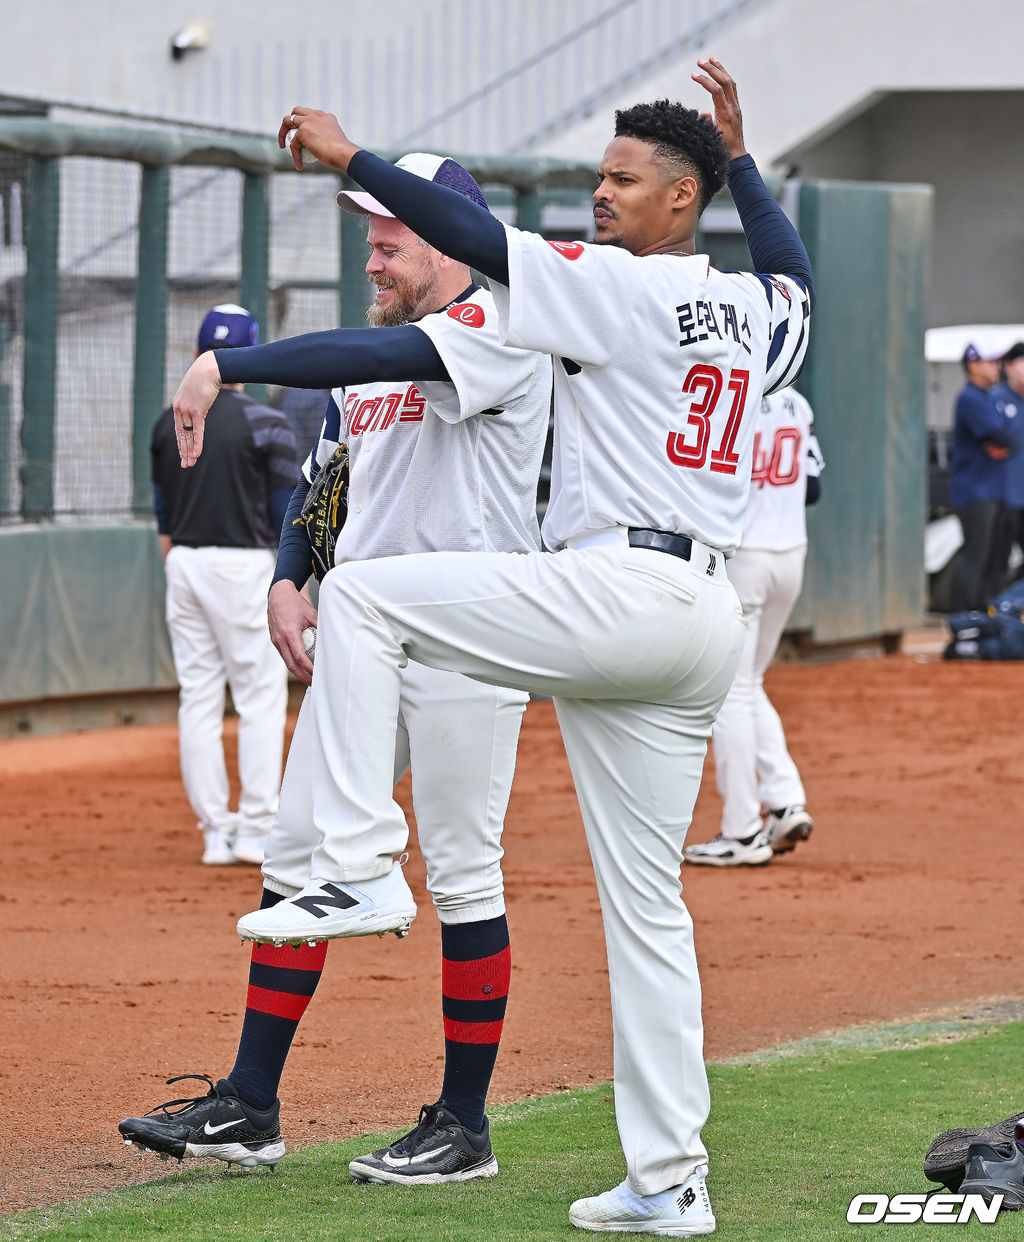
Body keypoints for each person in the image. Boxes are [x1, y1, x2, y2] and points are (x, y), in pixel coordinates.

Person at [170, 58, 811, 1236]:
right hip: (697, 617)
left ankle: (364, 861)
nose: (600, 192)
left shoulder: (616, 288)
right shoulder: (755, 310)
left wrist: (348, 153)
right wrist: (743, 166)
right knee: (648, 913)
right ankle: (668, 1181)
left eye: (624, 178)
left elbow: (475, 239)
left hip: (617, 585)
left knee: (367, 600)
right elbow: (794, 274)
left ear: (681, 200)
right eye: (600, 176)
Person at [120, 158, 553, 1184]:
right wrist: (287, 577)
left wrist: (226, 364)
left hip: (469, 637)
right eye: (368, 236)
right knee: (295, 853)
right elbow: (325, 483)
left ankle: (464, 1124)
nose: (372, 254)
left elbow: (380, 352)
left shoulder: (499, 330)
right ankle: (250, 1105)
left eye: (389, 236)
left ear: (449, 237)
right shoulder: (363, 366)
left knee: (462, 870)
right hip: (364, 642)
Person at [151, 304, 299, 867]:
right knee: (259, 697)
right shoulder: (267, 423)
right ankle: (255, 829)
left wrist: (179, 570)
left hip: (184, 564)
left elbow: (163, 521)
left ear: (199, 354)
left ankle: (215, 832)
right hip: (245, 567)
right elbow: (286, 517)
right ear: (250, 358)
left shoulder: (167, 422)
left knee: (199, 697)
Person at [684, 388, 824, 868]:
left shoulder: (732, 389)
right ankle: (785, 802)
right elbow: (814, 488)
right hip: (792, 555)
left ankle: (741, 829)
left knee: (730, 690)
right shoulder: (797, 402)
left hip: (747, 556)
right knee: (749, 683)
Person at [948, 342, 1016, 612]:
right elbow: (999, 435)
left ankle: (988, 618)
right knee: (974, 558)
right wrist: (1001, 438)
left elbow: (1010, 436)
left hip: (994, 490)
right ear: (973, 365)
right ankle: (965, 618)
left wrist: (1004, 439)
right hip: (974, 492)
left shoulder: (991, 397)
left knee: (993, 561)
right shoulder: (970, 397)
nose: (996, 367)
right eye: (990, 362)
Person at [989, 341, 1024, 585]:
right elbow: (992, 444)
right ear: (1009, 367)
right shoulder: (995, 399)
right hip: (1004, 497)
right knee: (996, 562)